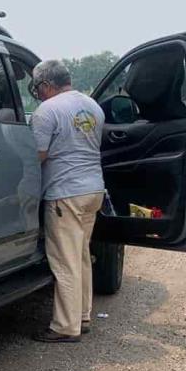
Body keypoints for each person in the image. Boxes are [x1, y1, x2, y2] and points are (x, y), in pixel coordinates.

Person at [28, 60, 106, 342]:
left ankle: (65, 327)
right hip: (93, 190)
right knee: (81, 255)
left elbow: (37, 155)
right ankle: (83, 316)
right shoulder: (92, 106)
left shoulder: (47, 111)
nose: (37, 92)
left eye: (38, 87)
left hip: (65, 194)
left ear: (47, 85)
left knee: (65, 262)